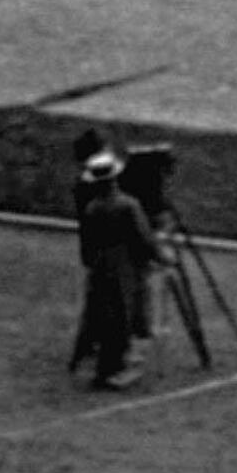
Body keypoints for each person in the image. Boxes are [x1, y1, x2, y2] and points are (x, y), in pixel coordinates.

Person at [66, 136, 158, 394]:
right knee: (121, 314)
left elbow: (87, 241)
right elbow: (143, 237)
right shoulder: (127, 205)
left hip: (100, 265)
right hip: (123, 266)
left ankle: (94, 360)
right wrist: (157, 256)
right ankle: (113, 367)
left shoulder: (93, 207)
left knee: (101, 311)